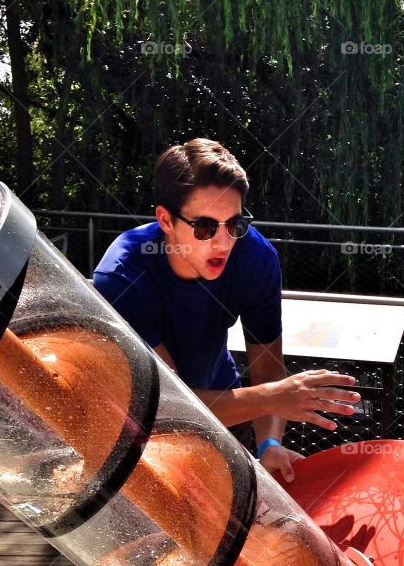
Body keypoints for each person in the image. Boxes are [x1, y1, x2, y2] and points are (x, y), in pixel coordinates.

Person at [93, 139, 360, 480]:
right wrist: (269, 398)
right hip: (142, 434)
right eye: (205, 227)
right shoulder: (123, 277)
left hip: (225, 411)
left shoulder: (256, 258)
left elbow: (267, 366)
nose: (223, 243)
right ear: (165, 220)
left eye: (234, 224)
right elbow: (168, 407)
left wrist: (269, 446)